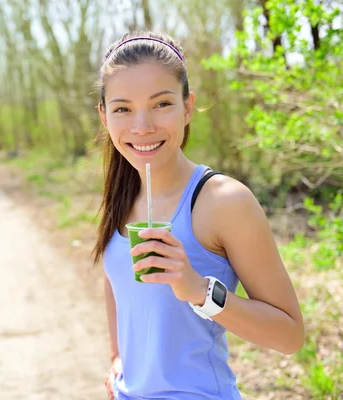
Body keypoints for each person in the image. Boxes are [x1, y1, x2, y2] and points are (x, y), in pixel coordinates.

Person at [92, 31, 305, 400]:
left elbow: (289, 336)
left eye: (161, 104)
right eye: (123, 108)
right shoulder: (122, 195)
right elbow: (115, 280)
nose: (142, 125)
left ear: (188, 107)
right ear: (104, 115)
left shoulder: (223, 201)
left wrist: (198, 290)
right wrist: (117, 356)